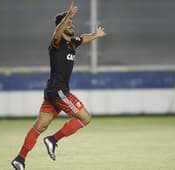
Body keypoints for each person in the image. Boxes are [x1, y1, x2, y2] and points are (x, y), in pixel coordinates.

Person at [11, 2, 106, 170]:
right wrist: (68, 16)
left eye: (72, 23)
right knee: (85, 118)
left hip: (52, 92)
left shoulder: (72, 42)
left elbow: (84, 38)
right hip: (59, 92)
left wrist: (96, 35)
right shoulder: (56, 43)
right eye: (68, 23)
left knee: (39, 126)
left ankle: (20, 159)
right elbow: (57, 32)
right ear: (61, 27)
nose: (71, 25)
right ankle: (53, 140)